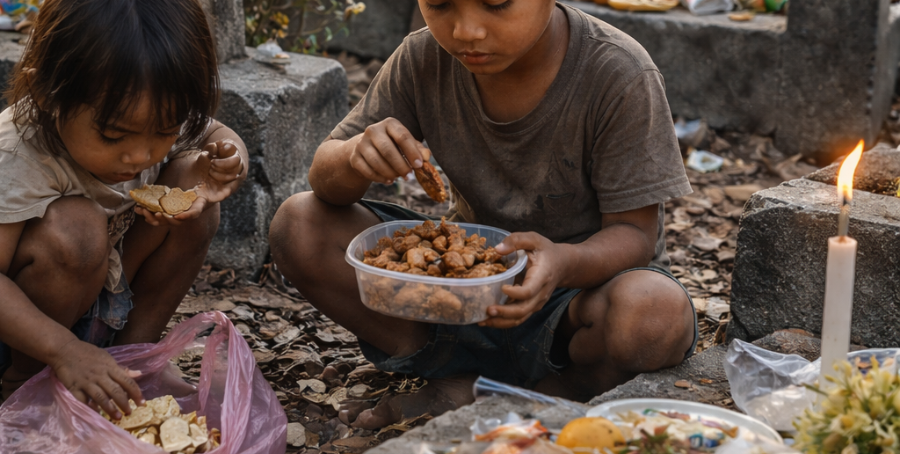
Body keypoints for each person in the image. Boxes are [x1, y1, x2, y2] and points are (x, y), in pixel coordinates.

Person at [270, 0, 697, 428]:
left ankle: (532, 397)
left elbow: (635, 233)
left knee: (653, 314)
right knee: (299, 225)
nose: (466, 30)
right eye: (439, 3)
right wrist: (354, 156)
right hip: (458, 298)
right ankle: (452, 377)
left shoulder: (618, 72)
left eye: (496, 3)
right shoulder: (423, 58)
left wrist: (563, 264)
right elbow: (323, 178)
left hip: (573, 304)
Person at [0, 0, 249, 415]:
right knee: (76, 229)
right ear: (47, 94)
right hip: (24, 332)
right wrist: (62, 351)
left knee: (193, 187)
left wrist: (228, 163)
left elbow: (213, 132)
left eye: (164, 132)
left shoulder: (148, 106)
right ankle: (25, 386)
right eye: (114, 136)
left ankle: (136, 361)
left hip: (105, 299)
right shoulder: (17, 156)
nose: (140, 156)